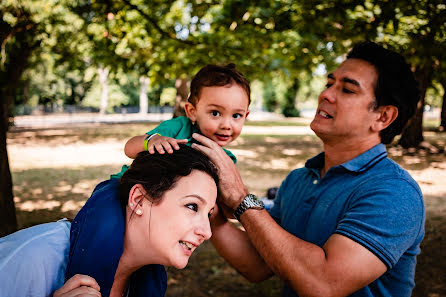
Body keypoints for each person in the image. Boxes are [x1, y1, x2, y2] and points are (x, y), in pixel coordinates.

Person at [192, 41, 425, 297]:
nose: (325, 95)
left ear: (383, 117)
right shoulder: (299, 179)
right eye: (329, 84)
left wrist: (239, 197)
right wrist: (211, 212)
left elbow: (324, 284)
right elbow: (260, 263)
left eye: (347, 89)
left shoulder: (394, 192)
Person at [0, 145, 219, 297]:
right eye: (192, 206)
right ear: (139, 200)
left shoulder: (142, 282)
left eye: (208, 214)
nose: (207, 232)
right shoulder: (34, 258)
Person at [122, 63, 251, 166]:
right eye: (215, 113)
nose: (226, 125)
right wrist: (151, 141)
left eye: (236, 116)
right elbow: (129, 148)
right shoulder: (179, 127)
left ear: (245, 116)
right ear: (192, 112)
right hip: (125, 186)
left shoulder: (226, 160)